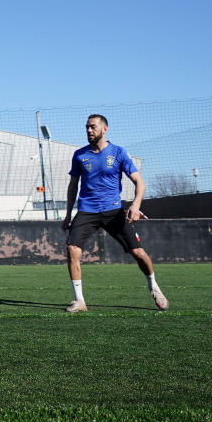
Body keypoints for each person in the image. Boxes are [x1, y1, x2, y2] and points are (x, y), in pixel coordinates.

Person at [61, 114, 168, 312]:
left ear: (105, 129)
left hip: (113, 210)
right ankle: (80, 301)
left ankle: (153, 286)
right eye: (87, 127)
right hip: (87, 211)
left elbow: (139, 182)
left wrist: (135, 206)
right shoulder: (79, 155)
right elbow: (73, 186)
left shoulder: (118, 152)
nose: (89, 131)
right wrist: (68, 214)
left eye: (93, 127)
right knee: (72, 249)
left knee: (138, 252)